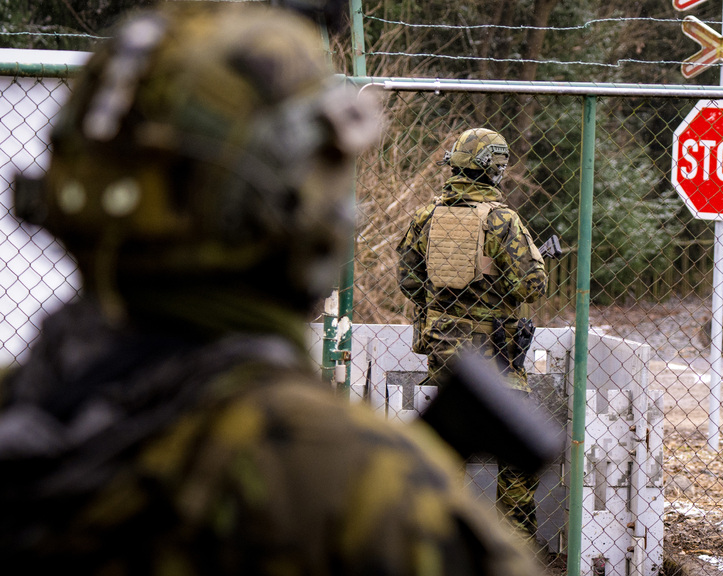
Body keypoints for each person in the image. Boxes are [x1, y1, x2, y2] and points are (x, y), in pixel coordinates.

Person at [0, 3, 541, 575]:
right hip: (487, 347)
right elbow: (530, 280)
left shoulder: (25, 412)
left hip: (439, 339)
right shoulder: (371, 494)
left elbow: (409, 276)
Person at [396, 128, 548, 539]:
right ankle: (514, 546)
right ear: (494, 168)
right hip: (497, 359)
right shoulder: (502, 220)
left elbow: (409, 280)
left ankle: (441, 544)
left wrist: (448, 300)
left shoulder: (425, 217)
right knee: (515, 466)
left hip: (446, 358)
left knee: (446, 460)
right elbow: (530, 286)